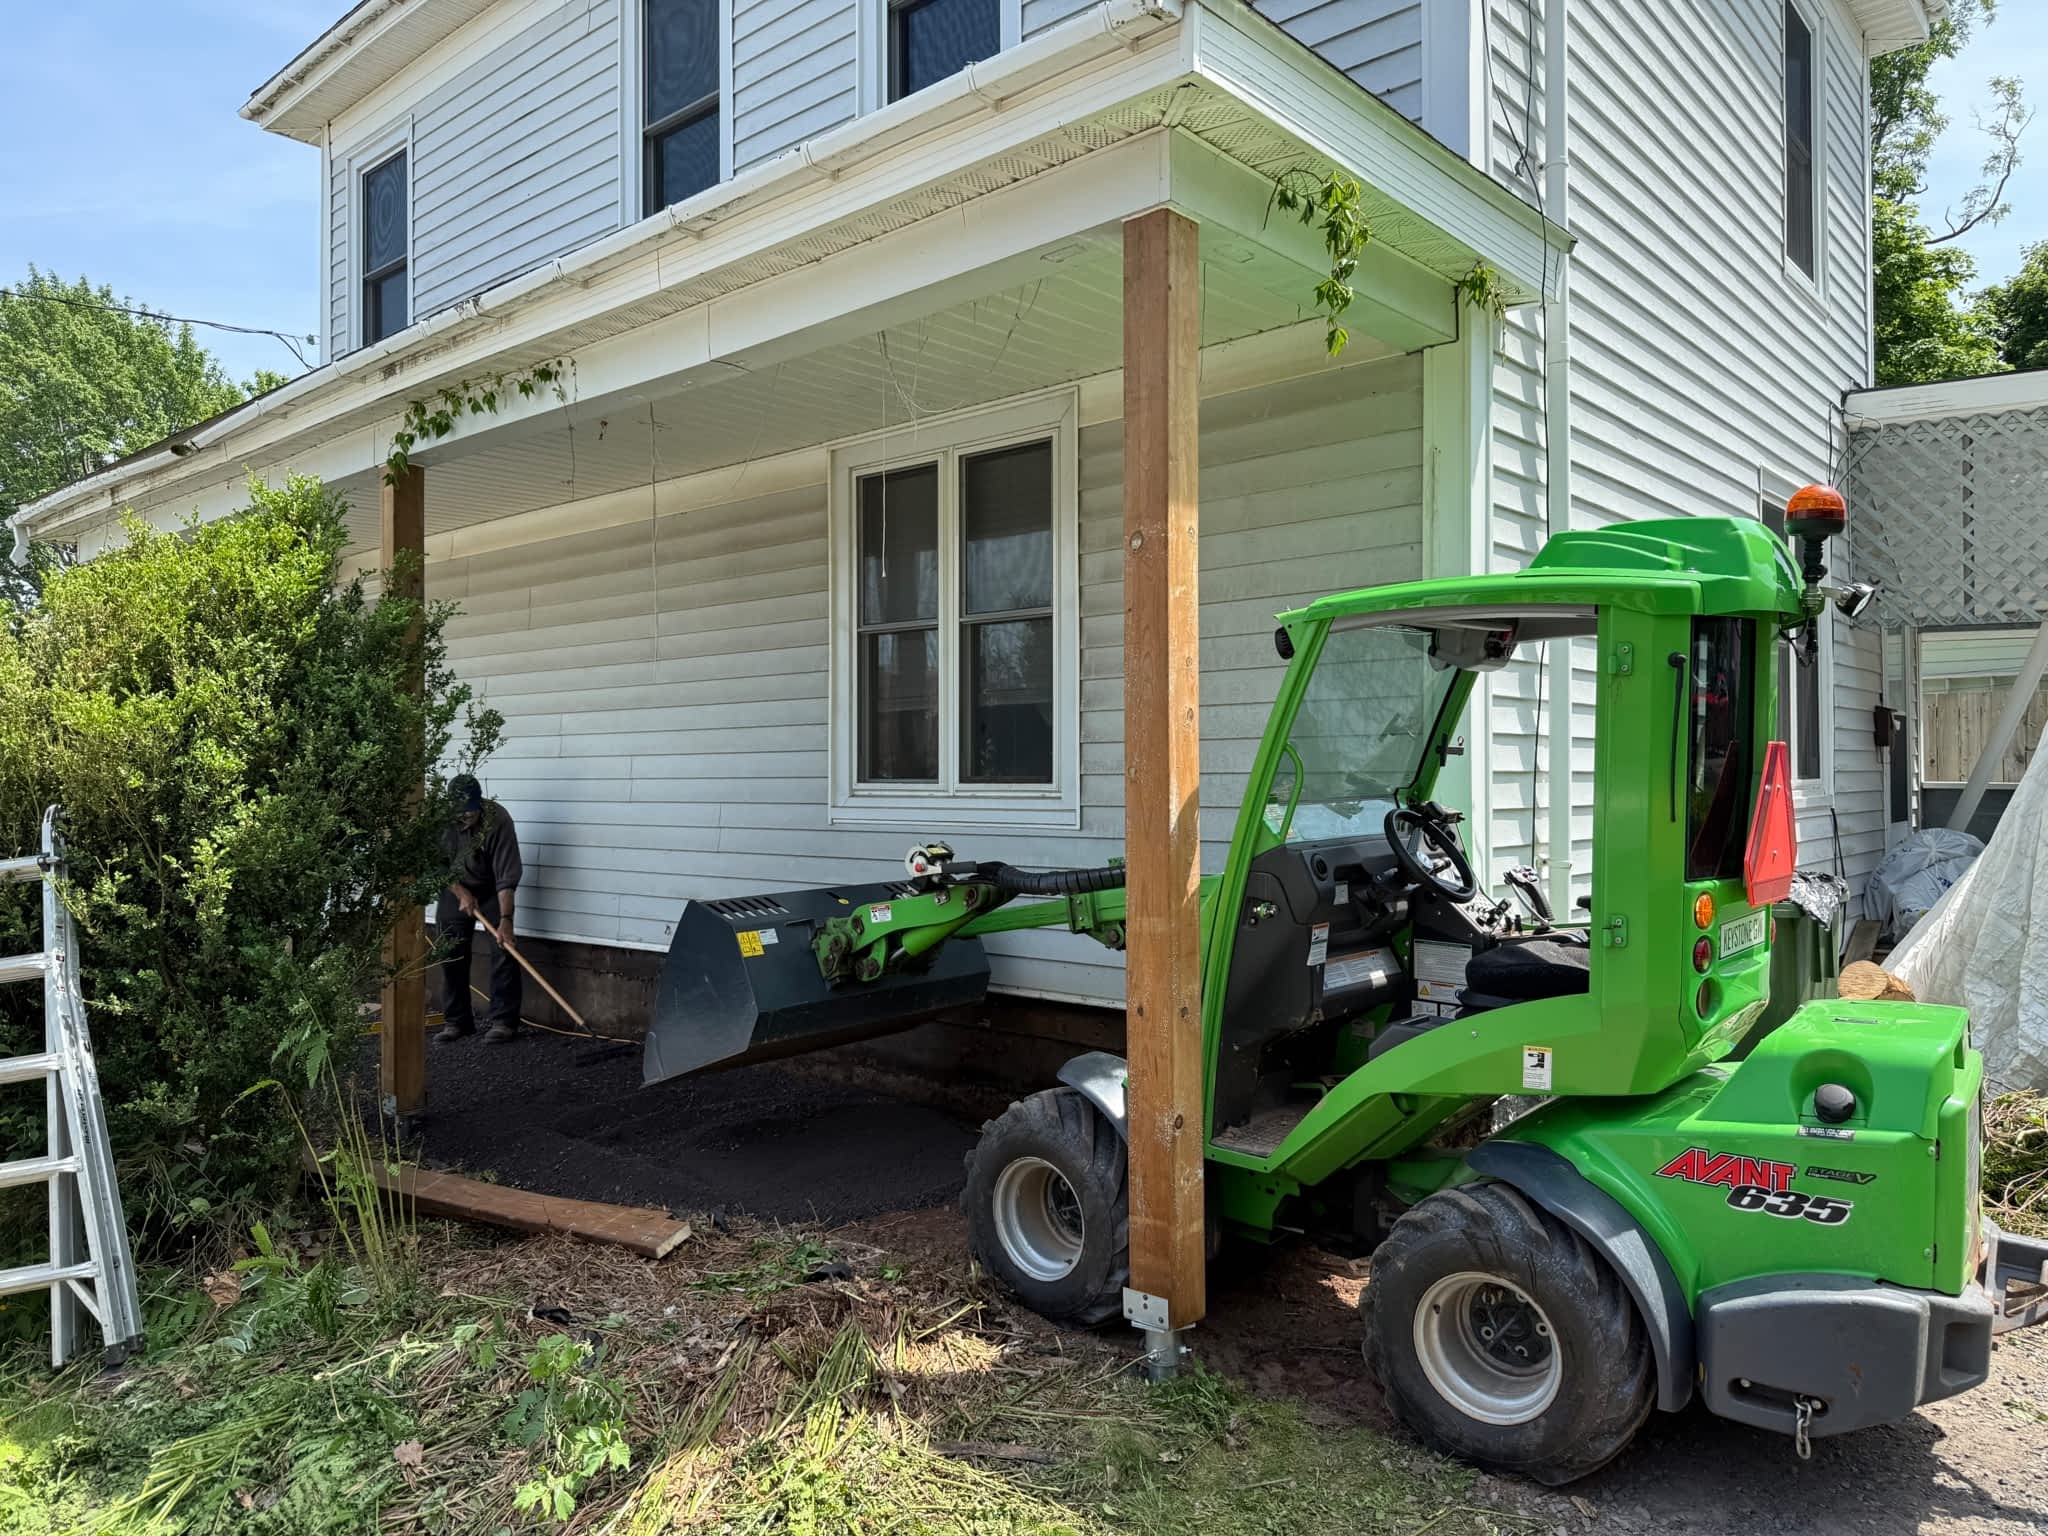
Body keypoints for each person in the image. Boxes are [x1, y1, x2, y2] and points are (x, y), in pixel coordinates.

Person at [436, 774, 524, 1044]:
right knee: (450, 950)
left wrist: (506, 920)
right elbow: (434, 865)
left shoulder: (498, 820)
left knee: (503, 948)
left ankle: (504, 1021)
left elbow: (507, 876)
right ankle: (457, 1021)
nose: (467, 815)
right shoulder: (437, 821)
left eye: (471, 810)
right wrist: (460, 892)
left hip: (491, 887)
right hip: (453, 886)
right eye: (461, 811)